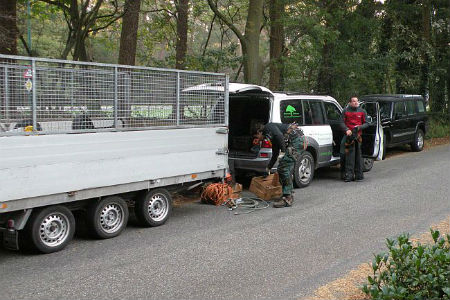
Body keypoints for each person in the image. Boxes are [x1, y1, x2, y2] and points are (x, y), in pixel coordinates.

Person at [254, 122, 306, 208]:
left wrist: (283, 152)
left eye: (256, 137)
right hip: (296, 142)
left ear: (259, 132)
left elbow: (280, 136)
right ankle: (286, 194)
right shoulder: (271, 135)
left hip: (297, 142)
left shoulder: (268, 127)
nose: (257, 140)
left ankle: (287, 198)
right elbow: (275, 153)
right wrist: (268, 168)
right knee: (283, 168)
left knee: (283, 168)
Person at [340, 96, 368, 182]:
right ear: (350, 103)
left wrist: (359, 127)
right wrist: (346, 130)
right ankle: (348, 175)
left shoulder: (362, 111)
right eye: (354, 101)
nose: (356, 103)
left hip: (358, 137)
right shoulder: (345, 111)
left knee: (358, 156)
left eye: (357, 101)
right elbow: (341, 122)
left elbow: (367, 123)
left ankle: (359, 175)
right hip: (349, 137)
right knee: (347, 155)